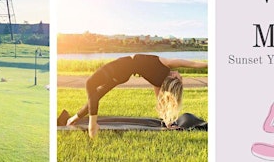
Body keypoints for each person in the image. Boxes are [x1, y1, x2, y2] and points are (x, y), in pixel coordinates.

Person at [66, 54, 207, 138]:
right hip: (123, 75)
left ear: (174, 77)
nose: (180, 75)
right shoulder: (157, 81)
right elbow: (160, 104)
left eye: (179, 78)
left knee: (90, 84)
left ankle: (92, 126)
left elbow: (192, 63)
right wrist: (168, 122)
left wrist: (209, 64)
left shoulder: (166, 64)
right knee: (96, 93)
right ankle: (77, 117)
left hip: (122, 67)